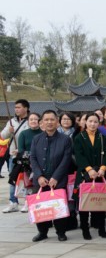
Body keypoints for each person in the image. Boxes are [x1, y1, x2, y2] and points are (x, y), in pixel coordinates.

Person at [29, 110, 73, 242]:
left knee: (58, 205)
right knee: (41, 206)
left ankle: (61, 232)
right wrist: (39, 176)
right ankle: (42, 231)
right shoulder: (36, 139)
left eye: (52, 119)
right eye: (46, 120)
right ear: (41, 122)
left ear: (57, 122)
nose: (49, 122)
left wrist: (56, 177)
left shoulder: (65, 139)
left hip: (57, 179)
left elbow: (66, 160)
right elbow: (33, 158)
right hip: (41, 179)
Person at [73, 112, 106, 240]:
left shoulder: (103, 138)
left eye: (95, 122)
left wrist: (103, 168)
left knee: (100, 203)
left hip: (99, 174)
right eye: (90, 121)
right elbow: (79, 156)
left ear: (98, 123)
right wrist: (89, 170)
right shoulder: (79, 137)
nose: (93, 124)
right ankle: (85, 229)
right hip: (85, 174)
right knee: (84, 204)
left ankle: (102, 229)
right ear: (85, 123)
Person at [2, 99, 30, 213]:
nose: (16, 109)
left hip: (27, 155)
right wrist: (9, 131)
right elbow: (2, 136)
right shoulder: (11, 121)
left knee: (28, 178)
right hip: (13, 155)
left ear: (26, 108)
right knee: (12, 178)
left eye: (19, 107)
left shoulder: (31, 120)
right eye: (15, 107)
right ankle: (13, 202)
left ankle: (28, 201)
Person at [15, 113, 43, 212]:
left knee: (38, 184)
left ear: (40, 121)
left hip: (42, 162)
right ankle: (28, 202)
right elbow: (21, 150)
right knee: (29, 184)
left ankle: (36, 202)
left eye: (36, 119)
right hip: (28, 163)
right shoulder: (23, 134)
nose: (33, 121)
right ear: (28, 121)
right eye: (31, 119)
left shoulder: (43, 133)